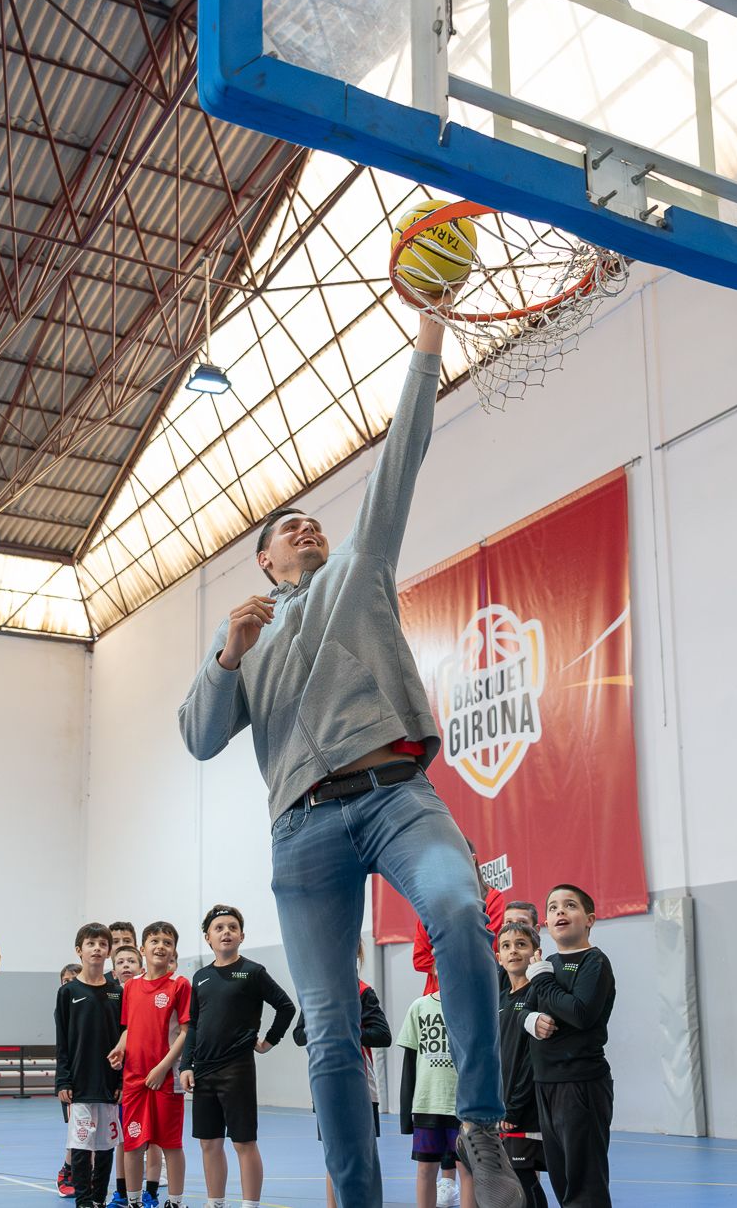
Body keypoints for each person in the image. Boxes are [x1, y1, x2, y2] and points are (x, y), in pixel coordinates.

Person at [178, 309, 519, 1208]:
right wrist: (224, 656)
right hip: (303, 830)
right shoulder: (245, 641)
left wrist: (430, 338)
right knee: (329, 1026)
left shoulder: (359, 567)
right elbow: (199, 736)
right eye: (290, 527)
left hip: (399, 792)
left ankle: (480, 1123)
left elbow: (402, 452)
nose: (308, 528)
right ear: (262, 557)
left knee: (457, 907)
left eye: (312, 521)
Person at [183, 907, 294, 1208]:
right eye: (219, 927)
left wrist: (270, 1041)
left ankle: (250, 1204)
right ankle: (215, 1202)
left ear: (242, 935)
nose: (226, 932)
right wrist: (185, 1065)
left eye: (232, 927)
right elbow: (193, 1023)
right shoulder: (201, 977)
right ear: (208, 937)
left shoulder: (253, 972)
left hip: (237, 1069)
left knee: (243, 1142)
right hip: (203, 1071)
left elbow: (286, 1006)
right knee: (209, 1142)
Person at [521, 885, 614, 1208]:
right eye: (553, 907)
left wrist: (542, 980)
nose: (560, 911)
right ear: (545, 922)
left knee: (584, 1184)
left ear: (589, 919)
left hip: (580, 1083)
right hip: (545, 1083)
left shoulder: (594, 962)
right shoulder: (546, 964)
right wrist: (531, 1020)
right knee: (561, 1180)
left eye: (569, 905)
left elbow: (580, 1013)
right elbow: (523, 1009)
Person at [292, 950, 390, 1208]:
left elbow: (383, 1034)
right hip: (327, 1088)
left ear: (356, 952)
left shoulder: (363, 992)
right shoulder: (315, 995)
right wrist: (325, 1028)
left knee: (362, 1154)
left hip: (361, 1087)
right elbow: (299, 1034)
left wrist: (346, 1030)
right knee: (333, 1153)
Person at [109, 923, 190, 1208]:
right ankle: (133, 1201)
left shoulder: (179, 985)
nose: (160, 946)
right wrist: (121, 1047)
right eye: (154, 940)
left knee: (170, 1143)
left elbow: (185, 1032)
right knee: (133, 1143)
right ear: (143, 949)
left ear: (173, 951)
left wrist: (164, 1067)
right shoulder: (131, 987)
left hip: (166, 1080)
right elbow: (130, 1028)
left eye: (167, 942)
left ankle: (176, 1202)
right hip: (134, 1080)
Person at [56, 924, 124, 1207]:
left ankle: (98, 1198)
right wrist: (63, 1080)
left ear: (109, 951)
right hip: (80, 1084)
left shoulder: (117, 992)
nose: (96, 948)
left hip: (109, 1083)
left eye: (102, 944)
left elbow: (125, 1035)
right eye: (90, 943)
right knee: (82, 1145)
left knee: (106, 1145)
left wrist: (120, 1081)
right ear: (79, 950)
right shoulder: (68, 992)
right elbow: (62, 1039)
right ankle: (83, 1200)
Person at [397, 993, 472, 1208]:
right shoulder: (419, 1006)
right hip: (428, 1103)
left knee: (467, 1170)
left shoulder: (471, 1006)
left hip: (463, 1105)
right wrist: (406, 1113)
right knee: (425, 1169)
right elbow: (409, 1063)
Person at [493, 925, 547, 1208]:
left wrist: (513, 1107)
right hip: (505, 1105)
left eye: (521, 944)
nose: (513, 950)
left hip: (525, 1109)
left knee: (523, 1178)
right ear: (499, 958)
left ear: (535, 952)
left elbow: (530, 1060)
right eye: (506, 946)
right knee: (513, 1179)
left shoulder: (538, 994)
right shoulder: (501, 999)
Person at [413, 847, 506, 995]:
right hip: (438, 994)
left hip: (477, 988)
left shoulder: (493, 898)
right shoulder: (431, 904)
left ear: (473, 859)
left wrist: (444, 959)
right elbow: (419, 958)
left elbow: (489, 946)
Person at [106, 945, 146, 1208]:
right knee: (122, 1139)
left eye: (132, 961)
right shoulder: (113, 997)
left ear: (141, 967)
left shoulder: (143, 993)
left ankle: (147, 1192)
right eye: (121, 962)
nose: (126, 966)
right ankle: (121, 1193)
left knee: (147, 1140)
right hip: (120, 1077)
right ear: (114, 970)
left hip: (146, 1075)